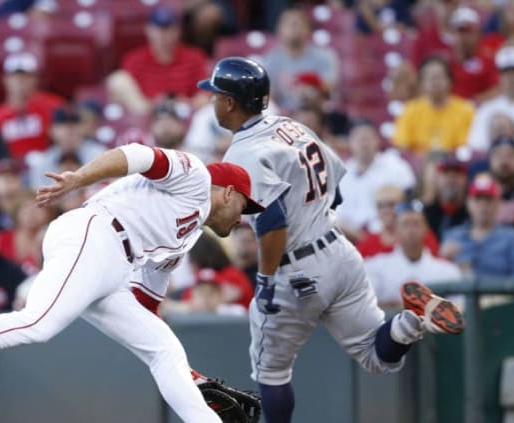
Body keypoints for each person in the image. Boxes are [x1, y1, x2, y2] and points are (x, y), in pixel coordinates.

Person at [0, 144, 265, 423]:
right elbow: (137, 155)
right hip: (95, 234)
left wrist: (189, 379)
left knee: (164, 349)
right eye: (244, 207)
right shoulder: (196, 177)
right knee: (37, 323)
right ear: (229, 192)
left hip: (113, 264)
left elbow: (146, 306)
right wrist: (79, 178)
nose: (242, 218)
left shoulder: (189, 234)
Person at [198, 56, 465, 423]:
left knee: (271, 372)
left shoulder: (243, 151)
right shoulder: (291, 127)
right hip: (339, 253)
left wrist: (265, 279)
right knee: (378, 357)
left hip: (294, 269)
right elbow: (336, 188)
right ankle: (411, 322)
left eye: (215, 94)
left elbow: (273, 221)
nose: (211, 100)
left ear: (229, 102)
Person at [106, 4, 209, 115]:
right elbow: (122, 96)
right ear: (148, 30)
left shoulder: (194, 57)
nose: (163, 35)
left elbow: (204, 94)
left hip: (184, 113)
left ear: (178, 31)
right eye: (158, 29)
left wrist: (184, 103)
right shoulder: (134, 59)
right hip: (148, 114)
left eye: (168, 29)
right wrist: (154, 105)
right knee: (118, 79)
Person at [365, 201, 462, 307]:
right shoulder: (376, 267)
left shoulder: (447, 270)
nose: (411, 230)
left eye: (416, 224)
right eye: (405, 224)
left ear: (426, 229)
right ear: (396, 230)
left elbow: (459, 308)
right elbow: (367, 306)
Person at [336, 118, 416, 242]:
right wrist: (359, 237)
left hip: (388, 235)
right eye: (358, 139)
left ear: (377, 141)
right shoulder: (341, 172)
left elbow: (409, 201)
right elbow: (337, 215)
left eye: (368, 138)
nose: (364, 143)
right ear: (350, 143)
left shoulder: (395, 166)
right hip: (349, 238)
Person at [441, 173, 514, 278]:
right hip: (460, 293)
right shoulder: (452, 236)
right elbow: (438, 277)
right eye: (478, 199)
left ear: (498, 204)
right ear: (468, 203)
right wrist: (445, 259)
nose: (483, 205)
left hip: (500, 293)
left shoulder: (512, 238)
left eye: (488, 200)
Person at [0, 52, 64, 161]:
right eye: (15, 77)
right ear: (5, 80)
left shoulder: (53, 106)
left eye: (25, 76)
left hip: (47, 165)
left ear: (35, 78)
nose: (20, 81)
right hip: (10, 171)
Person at [260, 5, 340, 111]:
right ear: (279, 29)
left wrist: (310, 92)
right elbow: (268, 99)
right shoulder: (270, 60)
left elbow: (328, 91)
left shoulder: (325, 56)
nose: (294, 27)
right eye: (289, 23)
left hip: (317, 112)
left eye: (298, 23)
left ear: (308, 29)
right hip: (283, 118)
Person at [392, 56, 475, 158]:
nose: (435, 82)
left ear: (450, 80)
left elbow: (465, 148)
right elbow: (402, 147)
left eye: (439, 76)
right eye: (430, 77)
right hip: (418, 166)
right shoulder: (410, 110)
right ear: (421, 83)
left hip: (453, 166)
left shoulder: (466, 110)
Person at [423, 154, 470, 241]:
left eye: (457, 173)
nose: (451, 179)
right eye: (446, 173)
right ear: (436, 179)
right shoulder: (425, 214)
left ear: (465, 180)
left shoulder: (472, 214)